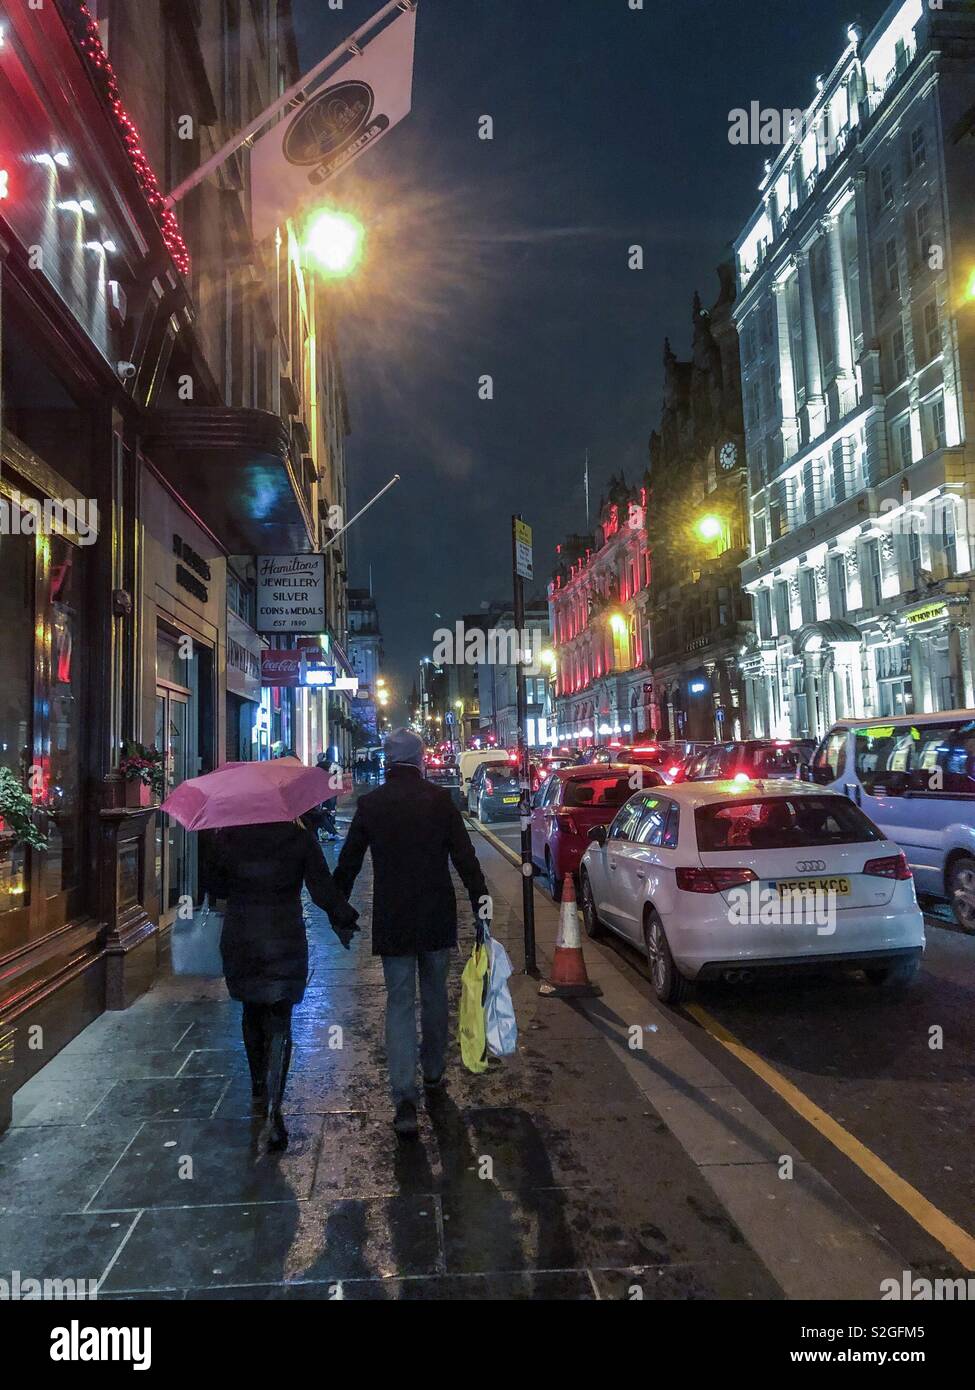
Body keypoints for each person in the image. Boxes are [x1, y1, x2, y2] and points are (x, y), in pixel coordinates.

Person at [334, 727, 488, 1139]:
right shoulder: (440, 801)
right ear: (420, 760)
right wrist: (481, 906)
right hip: (436, 916)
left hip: (394, 920)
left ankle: (404, 1096)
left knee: (399, 1002)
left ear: (387, 761)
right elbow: (465, 858)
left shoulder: (371, 805)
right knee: (435, 996)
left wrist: (339, 913)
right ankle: (434, 1072)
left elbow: (348, 863)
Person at [206, 820, 358, 1152]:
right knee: (280, 1020)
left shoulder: (229, 835)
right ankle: (275, 1107)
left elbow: (214, 887)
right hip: (283, 939)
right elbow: (322, 890)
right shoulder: (297, 837)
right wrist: (344, 917)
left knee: (250, 1010)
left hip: (241, 938)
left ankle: (259, 1086)